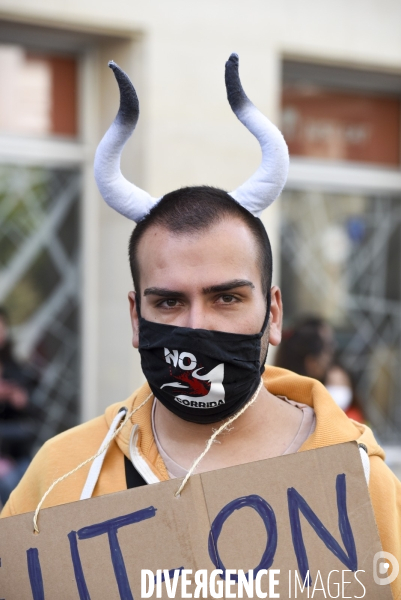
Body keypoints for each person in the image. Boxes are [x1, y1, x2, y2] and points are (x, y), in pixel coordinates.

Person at [1, 54, 400, 598]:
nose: (196, 326)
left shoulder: (361, 478)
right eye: (167, 303)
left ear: (273, 313)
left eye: (227, 298)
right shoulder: (63, 474)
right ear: (135, 318)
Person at [0, 308, 38, 504]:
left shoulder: (15, 366)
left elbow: (33, 411)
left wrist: (19, 399)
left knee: (24, 489)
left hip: (17, 450)